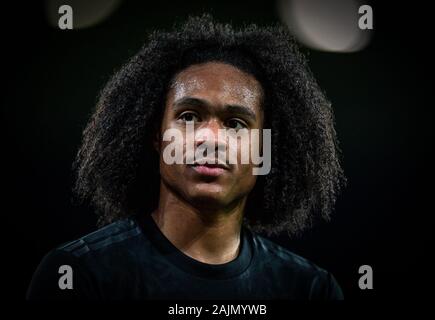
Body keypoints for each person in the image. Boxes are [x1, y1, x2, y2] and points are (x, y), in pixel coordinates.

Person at [27, 14, 346, 300]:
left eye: (235, 124)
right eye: (190, 116)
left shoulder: (309, 290)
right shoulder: (79, 275)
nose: (210, 138)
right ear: (155, 135)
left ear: (264, 149)